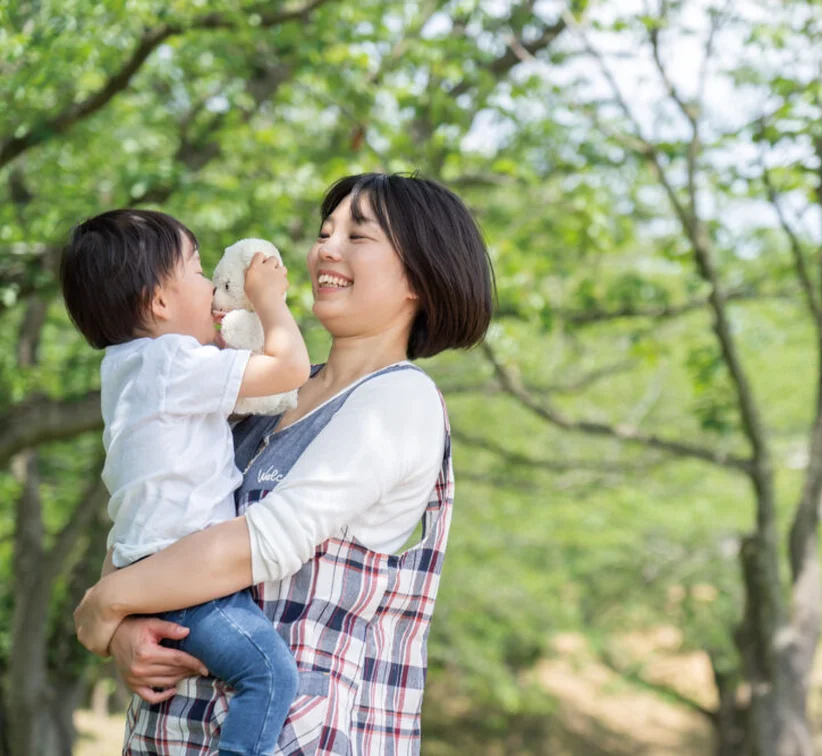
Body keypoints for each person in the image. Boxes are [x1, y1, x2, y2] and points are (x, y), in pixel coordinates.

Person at [73, 173, 495, 755]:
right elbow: (150, 513)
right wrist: (123, 631)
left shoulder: (398, 401)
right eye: (326, 232)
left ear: (420, 276)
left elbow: (261, 544)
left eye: (358, 235)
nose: (326, 247)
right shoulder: (263, 396)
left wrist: (105, 604)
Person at [60, 209, 311, 755]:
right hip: (183, 581)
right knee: (269, 673)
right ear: (159, 303)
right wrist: (270, 301)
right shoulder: (174, 360)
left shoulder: (126, 368)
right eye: (199, 273)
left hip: (140, 568)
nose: (210, 287)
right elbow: (289, 370)